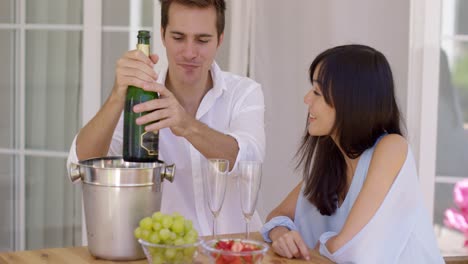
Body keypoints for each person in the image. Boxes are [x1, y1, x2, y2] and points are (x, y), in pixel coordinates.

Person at [67, 0, 265, 236]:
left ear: (219, 40)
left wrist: (186, 124)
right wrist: (116, 96)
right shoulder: (139, 99)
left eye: (202, 40)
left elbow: (248, 159)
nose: (190, 52)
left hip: (234, 251)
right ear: (162, 35)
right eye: (179, 38)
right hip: (166, 254)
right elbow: (79, 168)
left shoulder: (244, 92)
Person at [260, 45, 444, 263]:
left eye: (317, 92)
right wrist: (282, 235)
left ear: (350, 100)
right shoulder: (331, 163)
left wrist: (319, 244)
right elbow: (276, 216)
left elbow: (347, 247)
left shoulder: (391, 149)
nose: (307, 98)